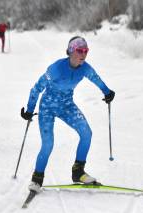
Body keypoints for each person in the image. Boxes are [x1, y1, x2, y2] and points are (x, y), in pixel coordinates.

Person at [21, 36, 115, 192]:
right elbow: (37, 88)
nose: (83, 54)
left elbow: (95, 78)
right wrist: (30, 109)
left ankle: (78, 172)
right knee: (48, 144)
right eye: (80, 51)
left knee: (87, 133)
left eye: (86, 51)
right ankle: (37, 179)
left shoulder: (85, 68)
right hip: (47, 107)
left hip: (66, 105)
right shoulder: (56, 69)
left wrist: (107, 92)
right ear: (71, 51)